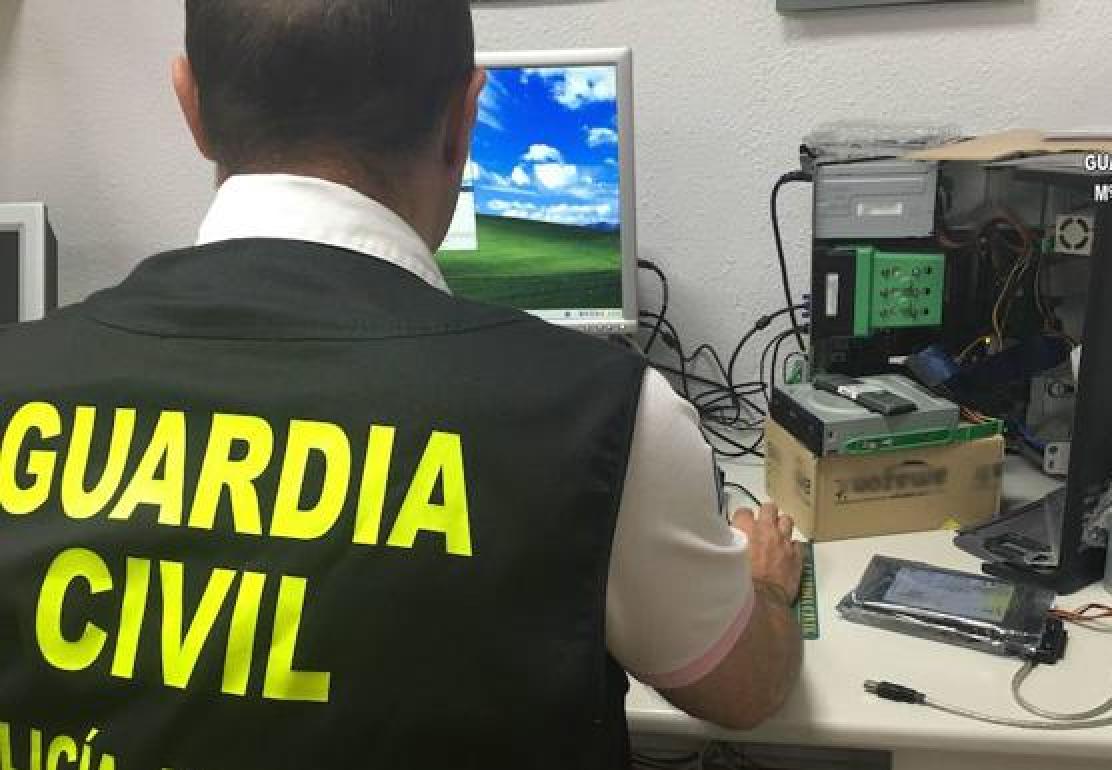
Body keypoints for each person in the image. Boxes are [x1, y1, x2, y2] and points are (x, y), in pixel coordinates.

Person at [0, 1, 802, 767]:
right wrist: (765, 584)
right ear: (464, 120)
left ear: (191, 106)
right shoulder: (602, 418)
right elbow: (744, 692)